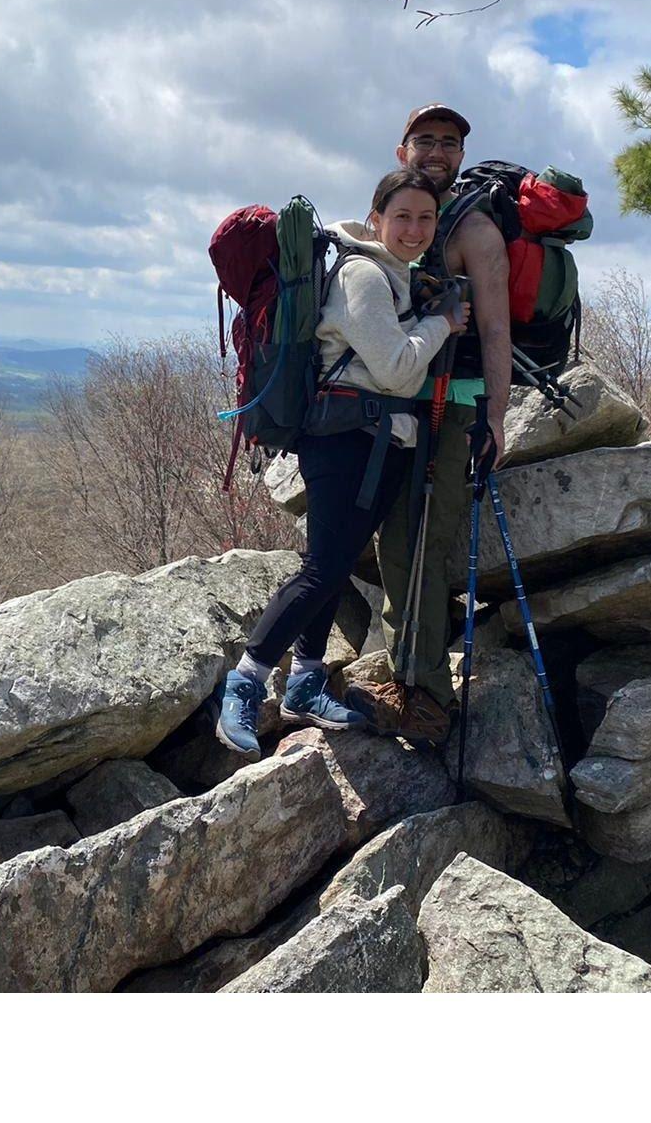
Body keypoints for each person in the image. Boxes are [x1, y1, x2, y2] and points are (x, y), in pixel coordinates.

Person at [214, 168, 471, 757]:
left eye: (425, 218)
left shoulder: (395, 275)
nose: (414, 228)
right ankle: (245, 684)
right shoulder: (362, 275)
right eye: (401, 216)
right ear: (376, 218)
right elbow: (399, 369)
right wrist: (442, 322)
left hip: (375, 441)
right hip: (348, 441)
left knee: (334, 563)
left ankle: (305, 680)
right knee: (320, 568)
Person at [363, 102, 512, 742]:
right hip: (399, 396)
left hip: (453, 404)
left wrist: (495, 416)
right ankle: (407, 676)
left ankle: (425, 699)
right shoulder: (407, 216)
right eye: (425, 140)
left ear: (461, 155)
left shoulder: (475, 230)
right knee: (392, 542)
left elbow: (497, 327)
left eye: (449, 143)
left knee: (420, 544)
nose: (437, 152)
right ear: (403, 151)